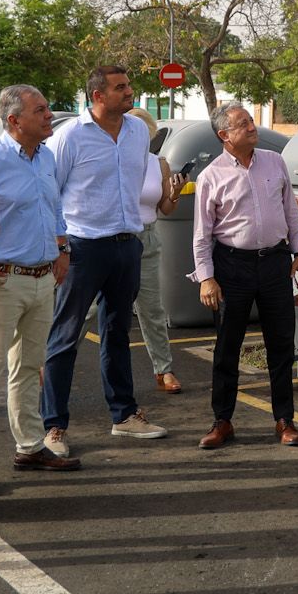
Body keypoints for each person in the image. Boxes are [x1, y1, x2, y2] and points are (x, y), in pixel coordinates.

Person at [40, 65, 165, 453]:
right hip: (82, 248)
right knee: (65, 336)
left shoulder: (136, 133)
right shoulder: (69, 137)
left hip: (128, 243)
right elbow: (51, 193)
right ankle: (54, 427)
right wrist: (60, 247)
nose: (130, 92)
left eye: (128, 86)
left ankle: (124, 415)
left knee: (117, 332)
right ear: (97, 96)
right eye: (121, 87)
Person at [0, 83, 80, 476]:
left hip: (42, 278)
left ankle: (30, 447)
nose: (49, 115)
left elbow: (54, 207)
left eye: (48, 108)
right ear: (14, 120)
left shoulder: (47, 157)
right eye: (40, 110)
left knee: (29, 366)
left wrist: (63, 248)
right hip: (3, 281)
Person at [194, 101, 298, 450]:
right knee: (228, 348)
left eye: (250, 121)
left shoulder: (275, 162)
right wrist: (206, 278)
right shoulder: (210, 176)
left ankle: (284, 420)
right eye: (242, 124)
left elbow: (291, 210)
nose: (251, 126)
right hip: (231, 267)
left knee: (281, 345)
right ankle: (222, 421)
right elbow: (202, 233)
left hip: (275, 263)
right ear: (224, 135)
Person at [125, 106, 184, 394]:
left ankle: (164, 369)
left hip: (147, 239)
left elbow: (166, 209)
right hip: (115, 238)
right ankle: (52, 361)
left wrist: (173, 192)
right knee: (90, 308)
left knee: (152, 310)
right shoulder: (114, 159)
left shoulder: (157, 163)